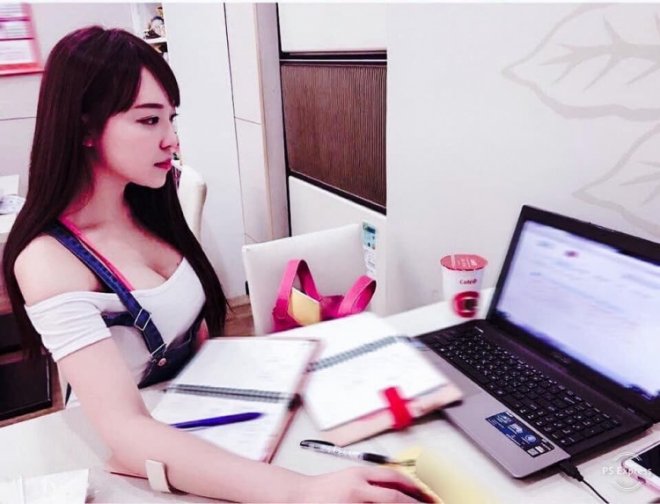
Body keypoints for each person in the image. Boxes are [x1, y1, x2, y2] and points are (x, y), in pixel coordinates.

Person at [2, 26, 427, 502]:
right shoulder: (49, 260)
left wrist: (285, 368)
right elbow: (125, 430)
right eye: (149, 121)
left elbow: (197, 335)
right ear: (84, 128)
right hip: (138, 463)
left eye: (171, 119)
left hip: (209, 423)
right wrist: (299, 492)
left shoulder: (149, 205)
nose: (171, 140)